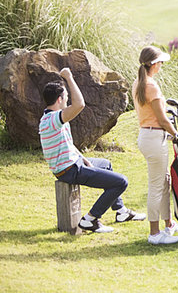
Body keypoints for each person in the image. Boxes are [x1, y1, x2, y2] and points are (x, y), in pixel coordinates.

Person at [39, 68, 146, 233]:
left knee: (106, 164)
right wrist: (69, 77)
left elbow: (67, 144)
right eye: (66, 97)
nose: (68, 100)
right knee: (121, 182)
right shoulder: (54, 119)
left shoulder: (49, 118)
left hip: (73, 163)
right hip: (69, 170)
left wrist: (82, 157)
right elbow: (79, 104)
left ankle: (121, 212)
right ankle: (90, 219)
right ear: (60, 99)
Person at [132, 46, 178, 245]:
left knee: (164, 182)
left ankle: (168, 225)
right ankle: (154, 234)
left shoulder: (139, 82)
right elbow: (162, 120)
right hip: (154, 138)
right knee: (156, 186)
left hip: (150, 137)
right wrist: (176, 134)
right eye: (160, 62)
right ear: (153, 64)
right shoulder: (150, 85)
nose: (161, 65)